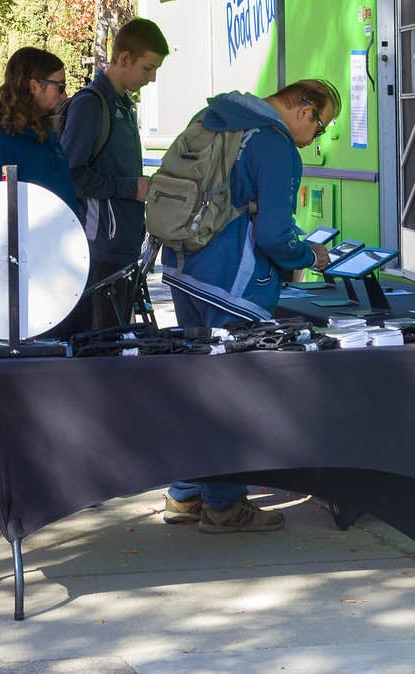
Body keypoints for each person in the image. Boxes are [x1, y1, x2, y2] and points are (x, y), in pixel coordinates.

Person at [160, 78, 340, 535]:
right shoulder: (276, 146)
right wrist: (310, 256)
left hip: (184, 269)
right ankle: (224, 506)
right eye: (320, 128)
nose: (316, 137)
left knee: (199, 389)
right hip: (233, 286)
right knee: (230, 398)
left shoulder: (216, 119)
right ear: (303, 108)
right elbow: (274, 236)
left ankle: (184, 493)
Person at [60, 18, 168, 334]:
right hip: (97, 250)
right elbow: (72, 174)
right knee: (100, 344)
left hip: (122, 246)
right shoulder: (91, 104)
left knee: (119, 342)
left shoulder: (122, 104)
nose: (153, 78)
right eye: (148, 68)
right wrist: (129, 188)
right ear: (123, 59)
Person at [0, 48, 77, 214]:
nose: (64, 96)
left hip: (61, 235)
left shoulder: (45, 134)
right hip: (30, 239)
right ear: (34, 86)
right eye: (60, 87)